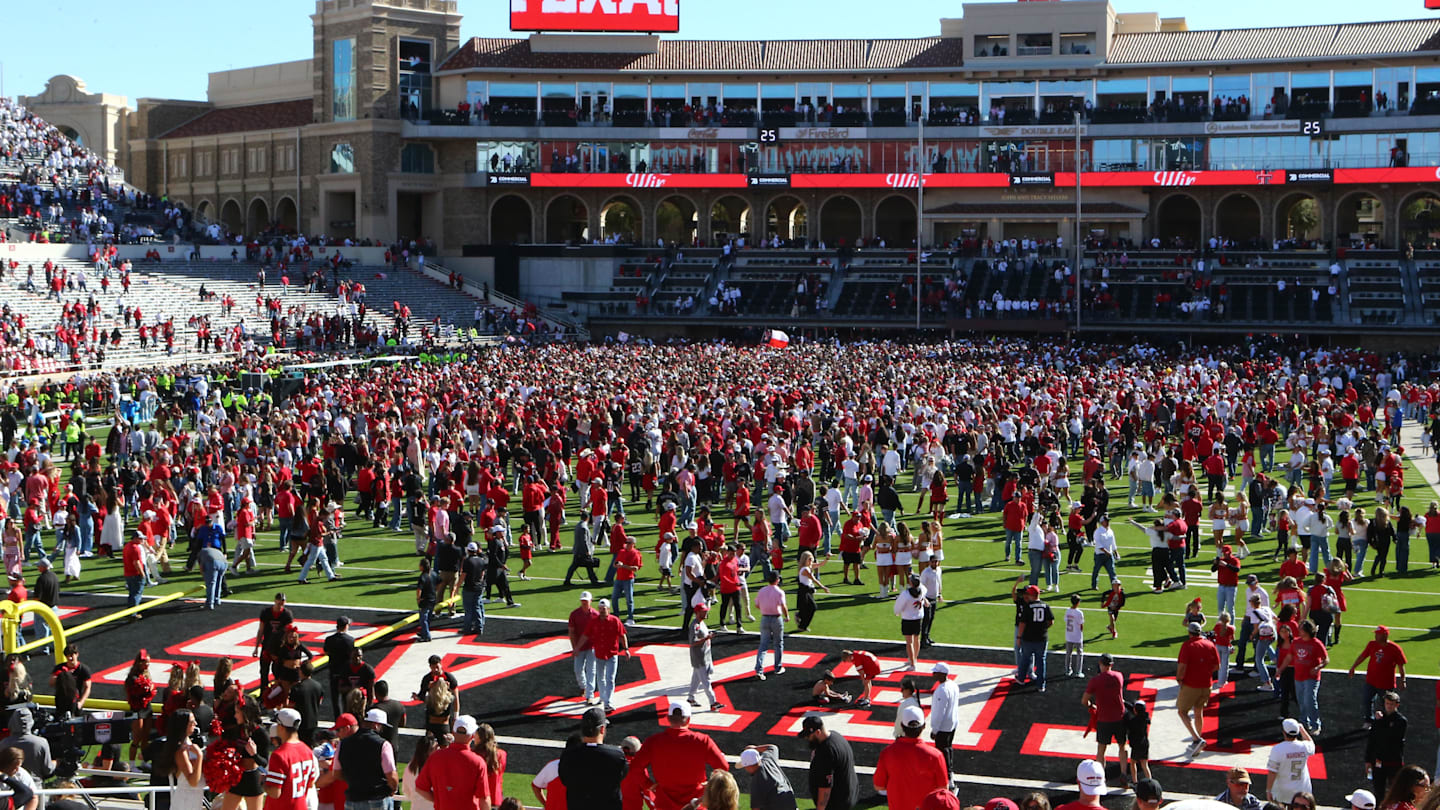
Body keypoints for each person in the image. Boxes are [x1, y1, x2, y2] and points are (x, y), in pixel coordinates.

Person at [630, 701, 729, 810]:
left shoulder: (653, 742)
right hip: (696, 804)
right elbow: (723, 767)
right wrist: (709, 786)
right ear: (688, 719)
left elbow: (634, 767)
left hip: (664, 804)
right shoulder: (702, 740)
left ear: (668, 718)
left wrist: (648, 785)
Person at [874, 705, 949, 810]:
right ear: (923, 726)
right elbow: (943, 789)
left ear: (902, 725)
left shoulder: (887, 753)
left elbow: (879, 785)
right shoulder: (936, 756)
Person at [415, 715, 492, 810]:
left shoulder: (436, 757)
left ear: (453, 733)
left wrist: (440, 800)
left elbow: (420, 788)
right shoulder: (478, 762)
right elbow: (484, 799)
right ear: (472, 736)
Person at [558, 706, 627, 810]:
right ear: (602, 729)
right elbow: (621, 776)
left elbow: (564, 779)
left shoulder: (569, 754)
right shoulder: (617, 756)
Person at [338, 709, 400, 810]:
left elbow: (337, 773)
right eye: (382, 726)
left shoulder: (343, 744)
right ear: (376, 725)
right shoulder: (384, 745)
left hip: (352, 799)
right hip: (377, 799)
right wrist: (394, 788)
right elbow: (391, 776)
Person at [575, 598, 628, 713]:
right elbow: (585, 635)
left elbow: (622, 635)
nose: (602, 611)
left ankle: (608, 702)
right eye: (600, 609)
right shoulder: (594, 622)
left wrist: (626, 649)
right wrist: (577, 647)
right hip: (599, 653)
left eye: (604, 609)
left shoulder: (615, 621)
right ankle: (603, 697)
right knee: (601, 678)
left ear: (608, 609)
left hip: (612, 654)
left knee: (610, 679)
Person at [1175, 621, 1219, 756]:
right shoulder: (1210, 644)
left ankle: (1196, 738)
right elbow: (1217, 666)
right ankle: (1197, 740)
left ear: (1189, 632)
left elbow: (1182, 666)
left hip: (1191, 685)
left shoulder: (1188, 646)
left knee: (1182, 712)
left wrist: (1179, 678)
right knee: (1199, 711)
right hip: (1206, 684)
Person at [1350, 626, 1408, 726]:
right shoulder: (1372, 644)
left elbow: (1401, 665)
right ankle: (1369, 720)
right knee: (1367, 700)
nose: (1375, 636)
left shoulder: (1395, 648)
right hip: (1371, 681)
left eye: (1378, 634)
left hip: (1386, 683)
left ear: (1385, 635)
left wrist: (1403, 680)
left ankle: (1385, 722)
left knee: (1386, 705)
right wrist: (1353, 667)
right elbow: (1363, 656)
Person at [1082, 652, 1127, 776]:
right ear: (1111, 664)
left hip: (1104, 718)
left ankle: (1100, 776)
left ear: (1100, 664)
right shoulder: (1119, 676)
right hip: (1119, 717)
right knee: (1122, 746)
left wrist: (1091, 706)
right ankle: (1123, 773)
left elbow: (1084, 700)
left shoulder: (1095, 681)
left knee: (1101, 750)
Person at [799, 716, 857, 810]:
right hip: (847, 794)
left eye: (808, 735)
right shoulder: (835, 736)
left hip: (836, 803)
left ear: (818, 732)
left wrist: (820, 808)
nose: (806, 738)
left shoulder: (826, 753)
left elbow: (825, 787)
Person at [265, 709, 320, 810]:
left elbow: (274, 792)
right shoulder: (307, 750)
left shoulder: (279, 755)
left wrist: (262, 782)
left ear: (281, 727)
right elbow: (311, 783)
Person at [1286, 619, 1329, 734]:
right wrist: (1280, 669)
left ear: (1308, 631)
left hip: (1311, 677)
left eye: (1301, 629)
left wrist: (1317, 667)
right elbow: (1290, 656)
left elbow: (1326, 660)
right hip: (1298, 676)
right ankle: (1304, 722)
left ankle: (1315, 724)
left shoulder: (1316, 643)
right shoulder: (1295, 642)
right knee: (1301, 700)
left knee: (1309, 699)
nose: (1299, 631)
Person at [1365, 692, 1407, 795]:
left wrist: (1381, 721)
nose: (1388, 706)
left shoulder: (1400, 721)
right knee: (1378, 790)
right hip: (1378, 760)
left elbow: (1391, 737)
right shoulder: (1379, 719)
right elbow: (1372, 740)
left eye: (1391, 704)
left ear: (1397, 705)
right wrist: (1368, 760)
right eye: (1387, 703)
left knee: (1394, 791)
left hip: (1393, 761)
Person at [1266, 719, 1315, 804]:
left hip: (1282, 791)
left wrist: (1269, 790)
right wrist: (1302, 729)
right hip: (1301, 789)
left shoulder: (1278, 749)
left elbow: (1273, 772)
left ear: (1284, 732)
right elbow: (1311, 744)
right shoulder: (1304, 747)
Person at [1016, 583, 1053, 691]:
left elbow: (1022, 623)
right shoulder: (1045, 606)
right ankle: (1041, 684)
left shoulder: (1028, 607)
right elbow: (1051, 621)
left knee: (1025, 659)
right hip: (1041, 638)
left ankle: (1021, 679)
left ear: (1032, 595)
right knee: (1041, 661)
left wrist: (1019, 637)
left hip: (1028, 638)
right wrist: (1042, 628)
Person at [688, 603, 724, 712]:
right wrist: (706, 638)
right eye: (704, 611)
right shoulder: (695, 626)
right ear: (698, 612)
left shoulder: (702, 623)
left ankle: (690, 698)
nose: (706, 612)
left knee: (696, 678)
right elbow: (692, 642)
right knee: (706, 681)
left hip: (705, 655)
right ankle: (713, 702)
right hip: (699, 658)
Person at [737, 745, 796, 810]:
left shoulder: (757, 781)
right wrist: (755, 748)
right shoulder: (768, 759)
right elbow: (772, 747)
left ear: (748, 766)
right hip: (791, 802)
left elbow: (756, 808)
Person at [929, 663, 960, 786]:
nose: (933, 674)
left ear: (942, 674)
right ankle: (950, 774)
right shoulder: (953, 685)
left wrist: (935, 729)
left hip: (943, 726)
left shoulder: (941, 690)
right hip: (952, 723)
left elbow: (939, 711)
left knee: (943, 751)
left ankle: (947, 778)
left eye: (936, 672)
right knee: (948, 748)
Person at [754, 570, 788, 680]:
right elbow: (783, 606)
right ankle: (777, 667)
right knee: (778, 643)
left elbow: (757, 605)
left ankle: (759, 669)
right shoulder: (779, 592)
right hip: (776, 618)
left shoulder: (762, 590)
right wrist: (787, 616)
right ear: (777, 580)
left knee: (763, 645)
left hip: (765, 618)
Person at [569, 592, 600, 705]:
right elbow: (571, 632)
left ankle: (590, 695)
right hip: (579, 646)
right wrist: (574, 647)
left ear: (591, 601)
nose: (584, 603)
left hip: (592, 646)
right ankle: (583, 686)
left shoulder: (595, 615)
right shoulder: (574, 614)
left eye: (586, 601)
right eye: (582, 600)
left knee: (591, 671)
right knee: (578, 669)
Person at [324, 617, 357, 720]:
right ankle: (346, 718)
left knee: (335, 698)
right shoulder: (350, 640)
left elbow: (326, 652)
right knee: (346, 697)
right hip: (345, 672)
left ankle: (337, 719)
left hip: (333, 671)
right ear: (346, 626)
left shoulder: (329, 639)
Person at [893, 573, 928, 670]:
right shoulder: (922, 591)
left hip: (908, 619)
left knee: (909, 642)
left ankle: (912, 663)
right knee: (916, 639)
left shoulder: (905, 594)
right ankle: (914, 659)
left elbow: (898, 606)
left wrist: (897, 612)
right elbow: (923, 589)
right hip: (918, 618)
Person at [1063, 593, 1085, 676]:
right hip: (1077, 636)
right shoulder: (1079, 613)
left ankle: (1067, 670)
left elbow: (1066, 620)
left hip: (1069, 635)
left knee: (1068, 653)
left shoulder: (1068, 611)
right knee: (1079, 653)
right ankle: (1078, 671)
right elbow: (1081, 625)